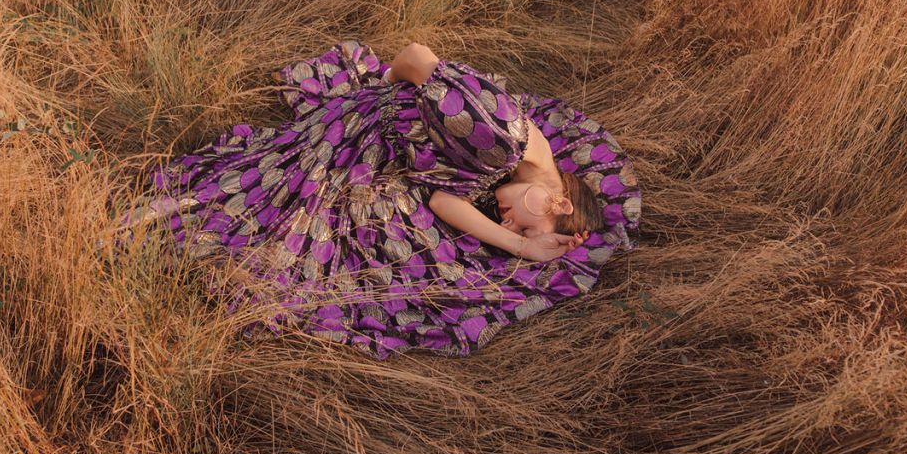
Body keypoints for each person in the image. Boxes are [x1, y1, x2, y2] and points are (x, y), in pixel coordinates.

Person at [111, 39, 638, 359]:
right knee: (298, 219)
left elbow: (439, 199)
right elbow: (415, 57)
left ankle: (171, 217)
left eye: (516, 234)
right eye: (528, 229)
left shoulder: (511, 165)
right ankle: (158, 217)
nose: (510, 228)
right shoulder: (502, 132)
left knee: (386, 239)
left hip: (384, 149)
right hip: (359, 132)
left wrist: (519, 245)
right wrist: (371, 96)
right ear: (558, 203)